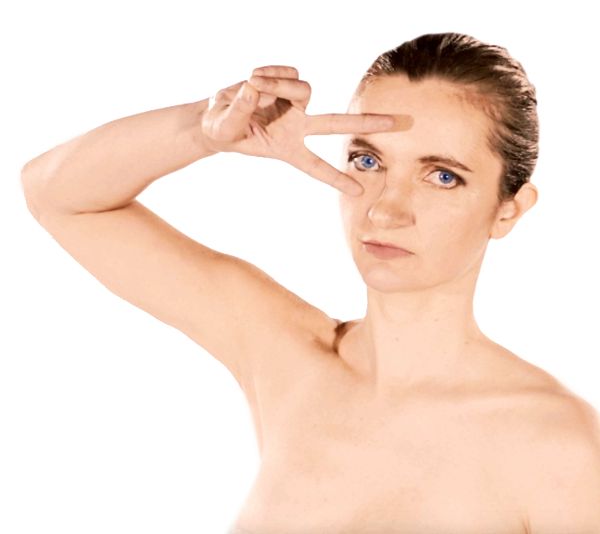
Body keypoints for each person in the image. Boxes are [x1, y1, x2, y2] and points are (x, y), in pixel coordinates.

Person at [21, 32, 600, 533]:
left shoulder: (558, 446)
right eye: (369, 162)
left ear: (508, 209)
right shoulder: (283, 353)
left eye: (442, 176)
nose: (385, 209)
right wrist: (204, 131)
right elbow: (57, 195)